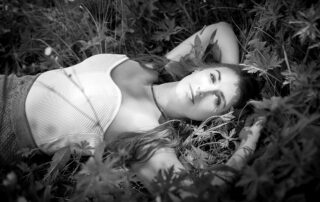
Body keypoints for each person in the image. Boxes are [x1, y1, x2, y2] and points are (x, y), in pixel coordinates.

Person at [0, 22, 262, 188]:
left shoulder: (151, 136)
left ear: (217, 117)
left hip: (7, 128)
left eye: (216, 100)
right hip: (11, 83)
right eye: (213, 77)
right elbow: (220, 29)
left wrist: (248, 143)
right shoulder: (157, 68)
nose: (204, 89)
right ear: (201, 69)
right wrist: (235, 74)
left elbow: (193, 194)